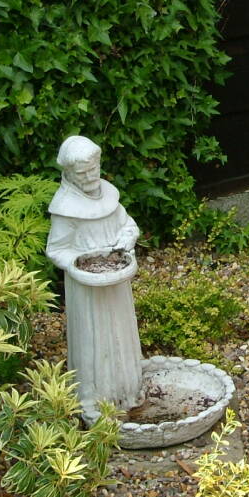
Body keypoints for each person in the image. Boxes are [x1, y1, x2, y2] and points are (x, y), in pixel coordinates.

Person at [46, 135, 144, 411]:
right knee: (96, 337)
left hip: (117, 280)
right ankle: (95, 398)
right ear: (68, 174)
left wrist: (127, 238)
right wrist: (80, 262)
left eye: (94, 168)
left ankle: (128, 389)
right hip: (87, 290)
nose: (90, 176)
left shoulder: (109, 194)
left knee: (121, 331)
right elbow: (56, 249)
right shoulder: (65, 208)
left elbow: (128, 224)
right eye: (82, 172)